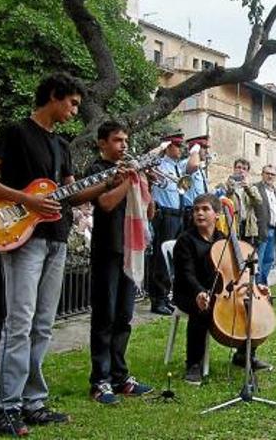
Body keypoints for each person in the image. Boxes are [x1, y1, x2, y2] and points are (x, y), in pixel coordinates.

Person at [0, 72, 99, 435]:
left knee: (43, 324)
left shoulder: (63, 146)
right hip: (22, 238)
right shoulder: (15, 132)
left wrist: (110, 181)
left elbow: (71, 195)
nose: (75, 110)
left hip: (56, 238)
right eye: (72, 102)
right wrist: (25, 199)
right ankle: (7, 405)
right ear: (55, 96)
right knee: (19, 323)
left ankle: (34, 401)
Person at [85, 121, 154, 405]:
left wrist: (144, 183)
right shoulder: (95, 170)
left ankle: (120, 375)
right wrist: (129, 180)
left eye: (125, 140)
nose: (123, 145)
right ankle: (99, 380)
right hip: (107, 249)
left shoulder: (131, 173)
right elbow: (106, 203)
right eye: (116, 140)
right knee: (105, 315)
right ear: (102, 143)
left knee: (124, 316)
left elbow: (150, 212)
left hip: (130, 249)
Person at [173, 194, 272, 385]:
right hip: (189, 292)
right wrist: (199, 292)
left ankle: (244, 355)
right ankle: (194, 363)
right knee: (202, 309)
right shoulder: (186, 240)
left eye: (205, 209)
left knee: (255, 304)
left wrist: (255, 286)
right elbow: (187, 275)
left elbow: (237, 272)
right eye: (196, 210)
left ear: (217, 214)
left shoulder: (224, 239)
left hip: (222, 291)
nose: (199, 213)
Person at [149, 131, 201, 315]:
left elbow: (190, 171)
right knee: (160, 259)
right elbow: (144, 160)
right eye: (177, 145)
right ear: (168, 146)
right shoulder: (158, 163)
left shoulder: (176, 166)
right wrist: (161, 147)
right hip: (165, 214)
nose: (181, 149)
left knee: (172, 258)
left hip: (178, 213)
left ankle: (165, 296)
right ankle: (157, 299)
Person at [254, 164, 276, 286]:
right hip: (261, 229)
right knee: (258, 259)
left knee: (269, 259)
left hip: (274, 229)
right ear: (262, 174)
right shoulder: (256, 188)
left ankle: (263, 284)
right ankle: (256, 284)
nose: (270, 176)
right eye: (267, 173)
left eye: (272, 174)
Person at [224, 158, 262, 245]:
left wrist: (247, 188)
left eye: (244, 169)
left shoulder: (252, 187)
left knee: (246, 254)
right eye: (238, 167)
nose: (241, 171)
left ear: (247, 172)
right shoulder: (226, 185)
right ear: (234, 169)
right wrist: (229, 187)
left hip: (247, 226)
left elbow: (259, 201)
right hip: (232, 224)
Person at [181, 135, 211, 226]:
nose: (207, 151)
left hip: (200, 210)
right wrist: (195, 150)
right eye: (204, 147)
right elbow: (193, 165)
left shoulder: (200, 169)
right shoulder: (186, 163)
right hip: (190, 211)